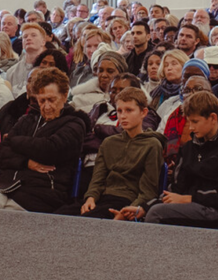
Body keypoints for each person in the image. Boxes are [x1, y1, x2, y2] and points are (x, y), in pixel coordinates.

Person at [0, 67, 88, 212]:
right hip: (8, 185)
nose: (46, 106)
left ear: (64, 96)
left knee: (8, 213)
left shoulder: (75, 123)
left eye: (51, 100)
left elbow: (49, 149)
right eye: (42, 101)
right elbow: (0, 153)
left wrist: (13, 140)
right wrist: (25, 162)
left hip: (43, 192)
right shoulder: (28, 119)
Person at [56, 87, 165, 220]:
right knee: (59, 216)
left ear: (143, 112)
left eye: (129, 110)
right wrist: (90, 198)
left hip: (126, 201)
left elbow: (148, 190)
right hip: (102, 198)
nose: (123, 116)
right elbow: (97, 179)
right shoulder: (109, 143)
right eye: (119, 111)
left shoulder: (152, 145)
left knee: (86, 221)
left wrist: (129, 211)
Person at [145, 91, 218, 228]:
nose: (191, 127)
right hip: (189, 205)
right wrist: (143, 208)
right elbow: (175, 190)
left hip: (217, 211)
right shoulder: (188, 148)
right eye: (189, 121)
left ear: (213, 118)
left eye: (195, 121)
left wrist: (189, 198)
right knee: (147, 211)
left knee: (156, 214)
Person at [6, 23, 48, 97]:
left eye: (33, 35)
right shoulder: (11, 72)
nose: (28, 38)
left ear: (43, 42)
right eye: (25, 37)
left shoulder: (50, 68)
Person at [149, 49, 188, 116]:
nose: (169, 68)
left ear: (184, 65)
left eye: (174, 64)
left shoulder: (189, 91)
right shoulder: (156, 92)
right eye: (166, 65)